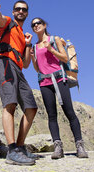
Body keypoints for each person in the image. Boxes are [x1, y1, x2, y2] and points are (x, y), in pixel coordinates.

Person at [29, 17, 88, 159]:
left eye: (38, 23)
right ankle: (57, 147)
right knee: (51, 115)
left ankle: (79, 146)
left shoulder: (53, 39)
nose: (35, 26)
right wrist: (32, 57)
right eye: (33, 25)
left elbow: (64, 58)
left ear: (44, 25)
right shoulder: (35, 46)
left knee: (69, 112)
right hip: (44, 82)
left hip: (60, 79)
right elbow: (38, 69)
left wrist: (51, 50)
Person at [0, 0, 39, 166]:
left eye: (24, 10)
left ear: (27, 13)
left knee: (31, 107)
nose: (21, 11)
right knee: (10, 104)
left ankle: (20, 146)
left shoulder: (21, 32)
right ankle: (12, 150)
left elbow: (26, 64)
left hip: (17, 69)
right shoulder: (9, 22)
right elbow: (0, 19)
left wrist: (27, 44)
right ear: (13, 11)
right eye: (18, 9)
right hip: (4, 63)